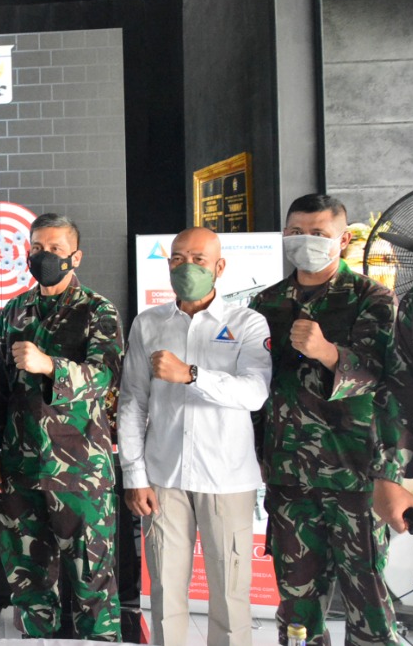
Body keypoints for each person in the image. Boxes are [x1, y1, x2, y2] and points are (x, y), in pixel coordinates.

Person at [249, 194, 401, 646]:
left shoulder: (373, 299)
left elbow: (386, 379)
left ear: (344, 238)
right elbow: (256, 387)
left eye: (318, 233)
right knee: (297, 602)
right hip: (288, 474)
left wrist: (328, 353)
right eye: (296, 233)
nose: (306, 241)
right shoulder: (267, 302)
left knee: (367, 600)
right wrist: (258, 453)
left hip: (353, 473)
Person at [118, 227, 271, 646]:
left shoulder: (247, 322)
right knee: (165, 593)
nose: (187, 267)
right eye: (178, 259)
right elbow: (132, 402)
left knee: (230, 596)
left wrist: (191, 375)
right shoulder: (148, 323)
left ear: (219, 267)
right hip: (163, 477)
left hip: (226, 478)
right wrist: (134, 475)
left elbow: (255, 393)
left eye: (198, 259)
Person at [0, 212, 124, 641]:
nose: (44, 257)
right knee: (28, 583)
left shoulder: (97, 311)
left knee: (91, 585)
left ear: (75, 257)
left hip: (80, 472)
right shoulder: (14, 311)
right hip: (20, 469)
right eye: (37, 248)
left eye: (55, 249)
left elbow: (105, 377)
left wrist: (50, 366)